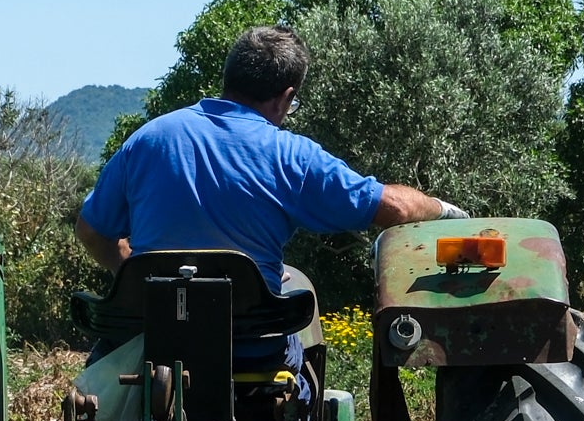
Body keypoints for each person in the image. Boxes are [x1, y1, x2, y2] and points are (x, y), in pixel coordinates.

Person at [72, 26, 454, 295]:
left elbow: (91, 231)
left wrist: (128, 271)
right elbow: (394, 209)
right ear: (285, 98)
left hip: (151, 339)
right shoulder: (293, 156)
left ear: (229, 78)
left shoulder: (148, 139)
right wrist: (445, 210)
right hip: (252, 348)